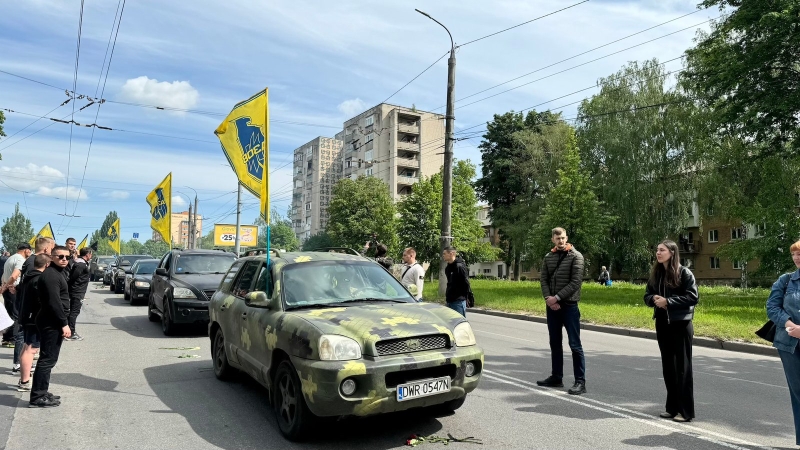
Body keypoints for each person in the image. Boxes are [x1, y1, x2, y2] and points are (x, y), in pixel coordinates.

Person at [644, 240, 698, 423]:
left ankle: (686, 411)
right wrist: (654, 299)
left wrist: (668, 301)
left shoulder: (684, 273)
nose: (658, 253)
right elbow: (647, 295)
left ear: (672, 253)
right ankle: (672, 408)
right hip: (662, 322)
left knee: (682, 368)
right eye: (657, 250)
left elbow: (693, 297)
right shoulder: (656, 274)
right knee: (668, 367)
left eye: (662, 250)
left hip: (681, 324)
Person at [537, 227, 586, 396]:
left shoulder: (576, 256)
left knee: (575, 345)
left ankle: (580, 382)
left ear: (567, 238)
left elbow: (575, 283)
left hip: (569, 306)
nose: (561, 241)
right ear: (553, 239)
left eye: (563, 238)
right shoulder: (548, 257)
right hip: (552, 306)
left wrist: (556, 298)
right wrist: (548, 299)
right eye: (558, 238)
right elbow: (543, 279)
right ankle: (556, 377)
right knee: (555, 343)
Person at [30, 245, 72, 408]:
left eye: (67, 257)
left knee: (49, 359)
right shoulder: (51, 276)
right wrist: (64, 323)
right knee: (47, 360)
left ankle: (42, 391)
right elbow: (53, 302)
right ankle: (37, 397)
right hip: (51, 322)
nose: (64, 259)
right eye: (60, 256)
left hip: (51, 321)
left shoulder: (57, 273)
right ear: (52, 257)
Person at [767, 240, 800, 446]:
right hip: (789, 346)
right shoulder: (786, 280)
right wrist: (788, 323)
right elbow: (772, 307)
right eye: (794, 255)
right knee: (798, 392)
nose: (796, 258)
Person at [16, 254, 49, 392]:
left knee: (26, 347)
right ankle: (24, 381)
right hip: (33, 319)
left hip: (26, 317)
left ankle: (23, 378)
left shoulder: (28, 276)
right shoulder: (37, 279)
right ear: (47, 265)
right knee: (31, 349)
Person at [1, 243, 32, 365]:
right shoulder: (20, 259)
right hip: (13, 289)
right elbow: (14, 275)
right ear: (27, 251)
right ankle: (13, 338)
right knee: (16, 315)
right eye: (30, 251)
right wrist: (8, 286)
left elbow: (4, 275)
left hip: (8, 290)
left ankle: (7, 338)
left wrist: (3, 287)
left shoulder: (11, 257)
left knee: (10, 314)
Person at [66, 247, 92, 341]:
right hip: (77, 291)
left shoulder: (81, 263)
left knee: (73, 312)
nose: (91, 256)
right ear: (87, 254)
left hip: (78, 291)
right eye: (91, 254)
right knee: (74, 312)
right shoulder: (80, 264)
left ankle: (69, 331)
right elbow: (73, 277)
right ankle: (71, 333)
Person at [442, 247, 470, 317]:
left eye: (444, 254)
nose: (443, 255)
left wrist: (466, 297)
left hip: (458, 301)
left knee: (459, 323)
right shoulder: (447, 268)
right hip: (449, 300)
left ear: (451, 254)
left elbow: (466, 283)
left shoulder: (459, 267)